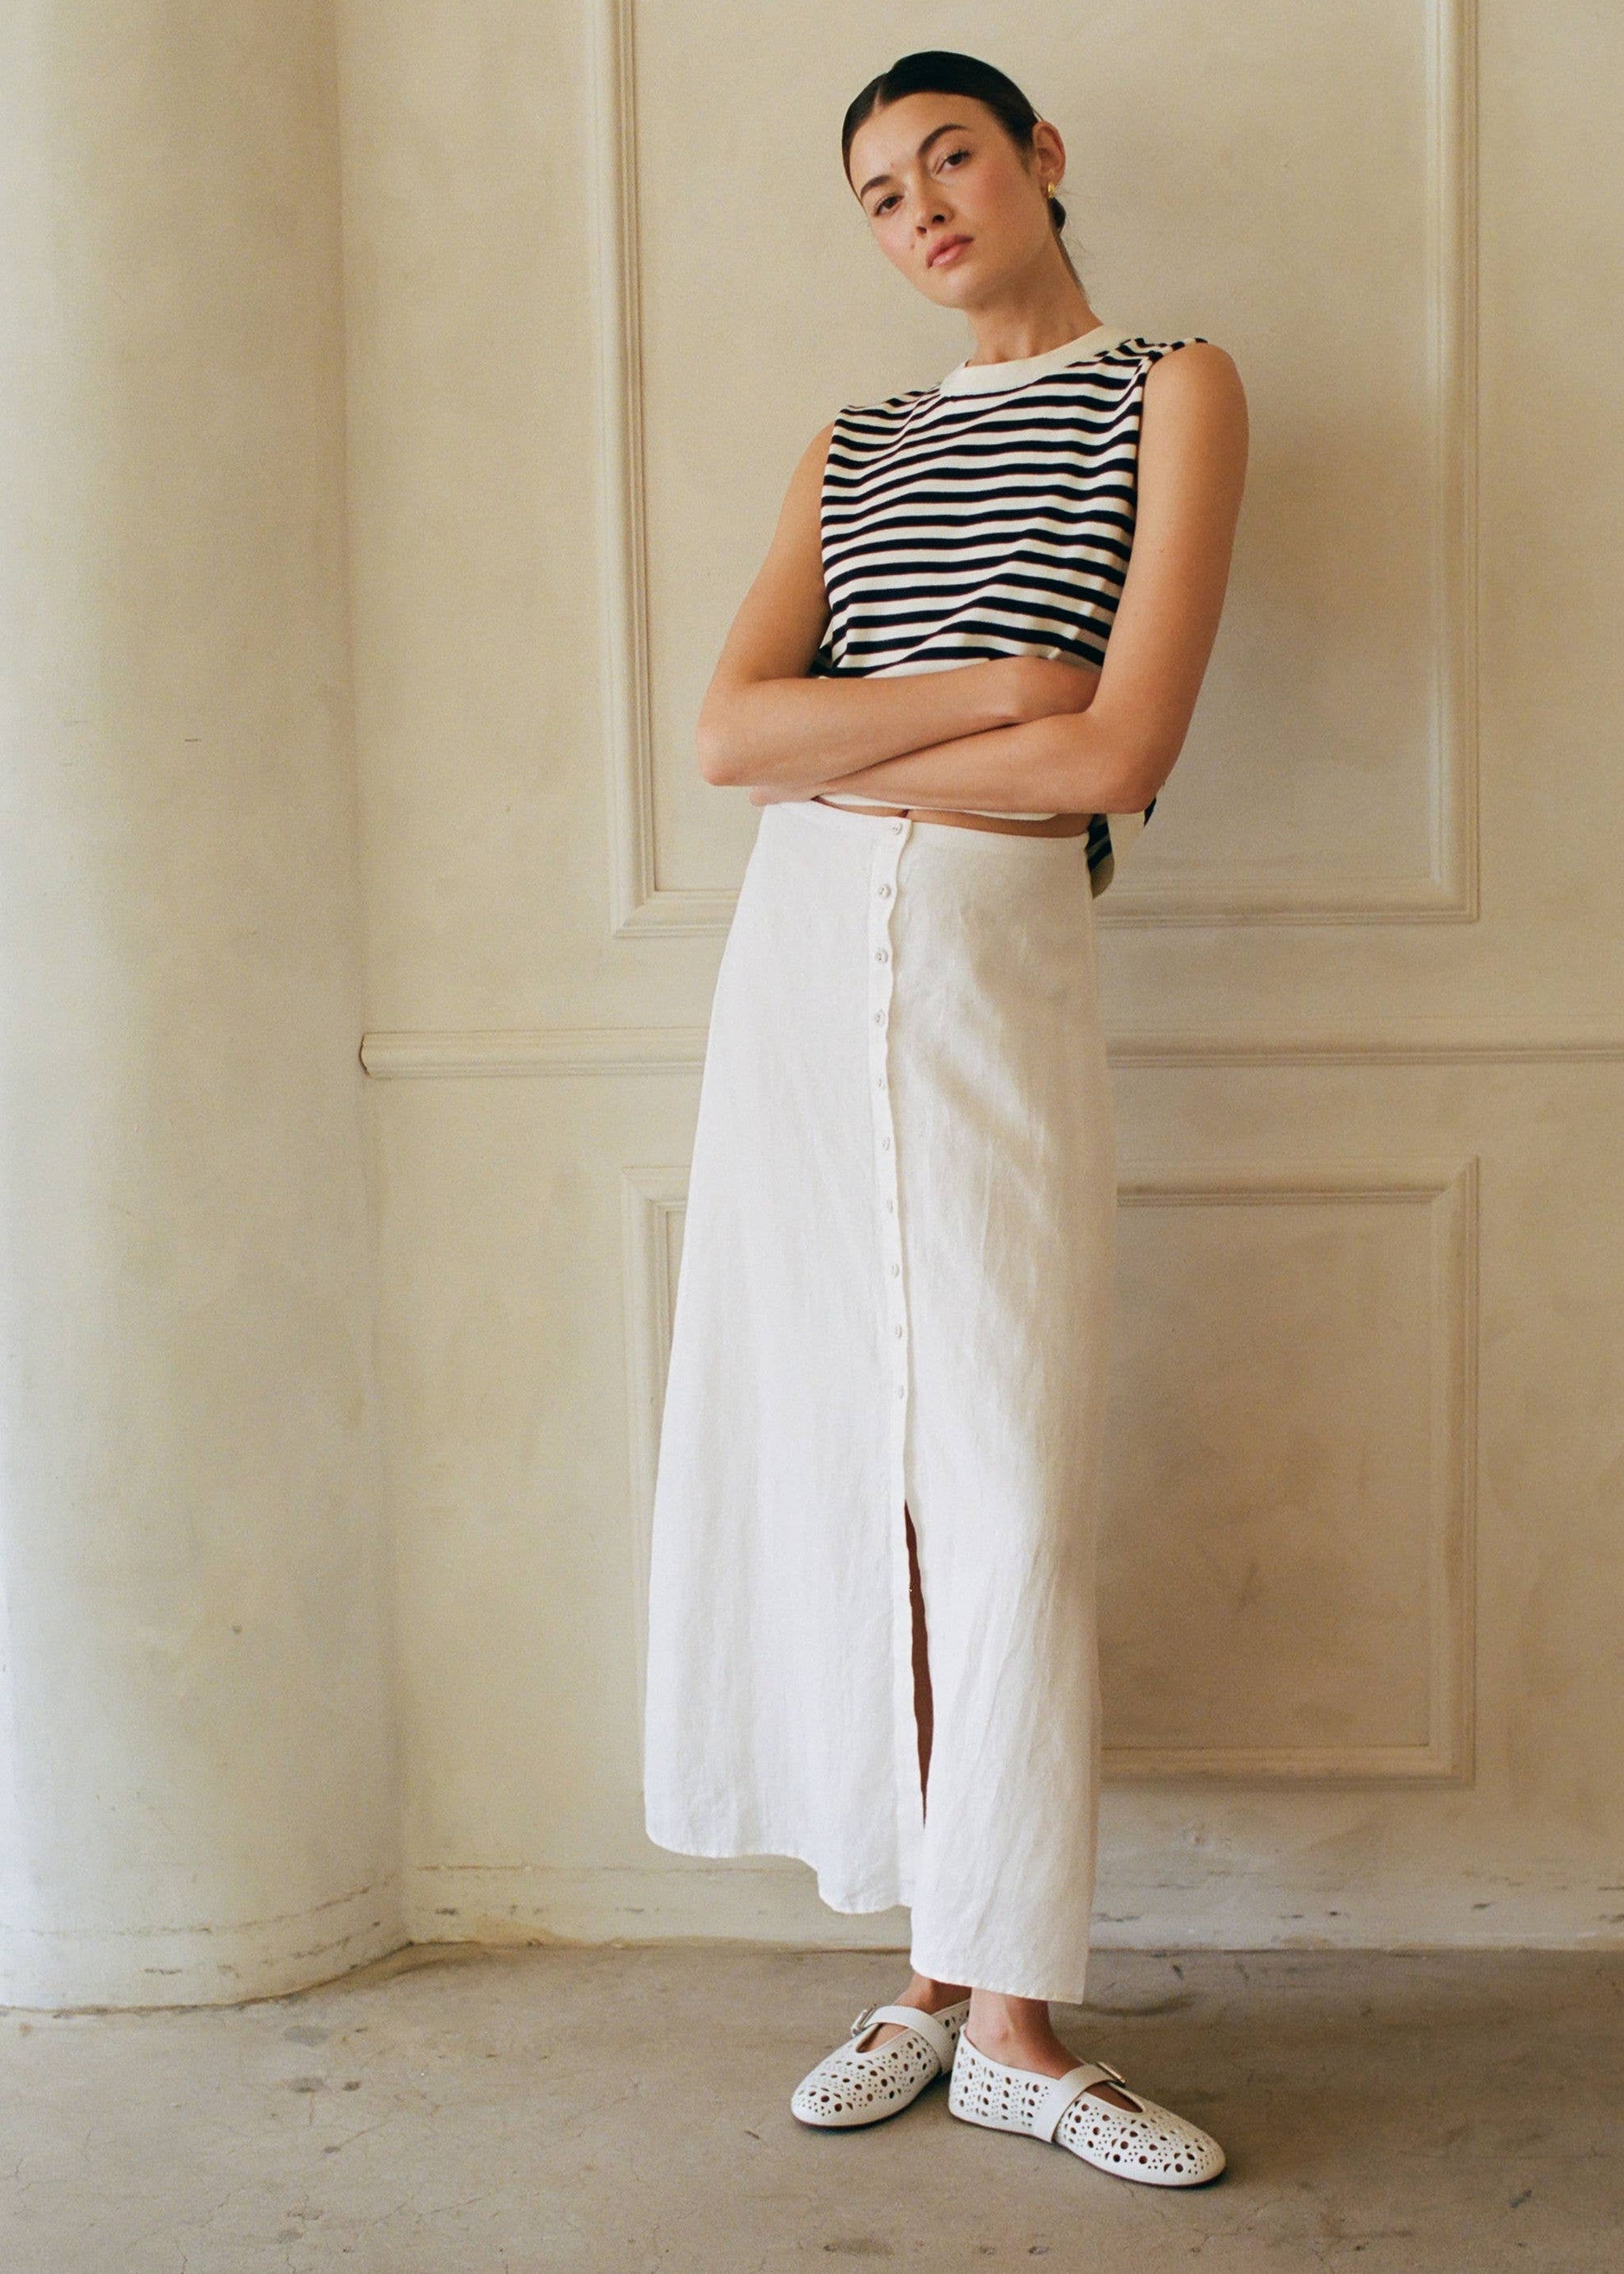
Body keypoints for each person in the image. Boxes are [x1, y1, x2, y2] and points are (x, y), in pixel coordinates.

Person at [641, 49, 1248, 2187]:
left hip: (994, 966)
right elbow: (730, 737)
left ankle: (1017, 2020)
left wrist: (875, 743)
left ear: (1039, 158)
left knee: (1006, 1481)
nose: (919, 210)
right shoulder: (855, 438)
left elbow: (1115, 757)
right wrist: (994, 688)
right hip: (800, 978)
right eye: (879, 193)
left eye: (950, 158)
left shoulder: (1172, 386)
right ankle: (927, 1980)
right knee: (862, 1481)